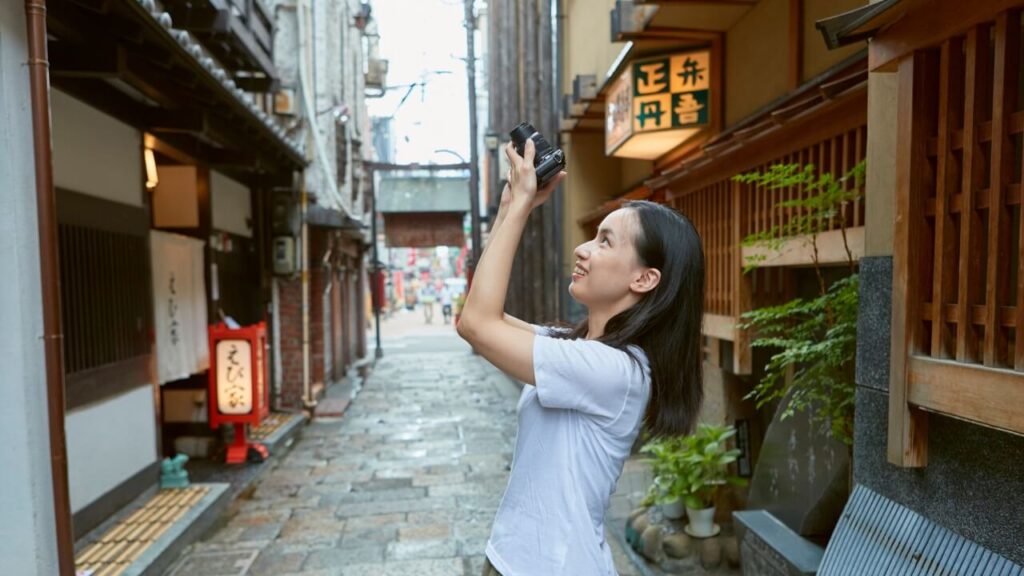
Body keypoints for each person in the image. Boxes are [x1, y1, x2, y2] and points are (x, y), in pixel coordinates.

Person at [457, 138, 705, 576]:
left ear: (645, 279)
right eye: (593, 237)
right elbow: (481, 317)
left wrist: (520, 209)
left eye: (605, 242)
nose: (583, 249)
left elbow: (476, 324)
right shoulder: (578, 347)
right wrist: (512, 204)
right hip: (512, 559)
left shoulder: (617, 371)